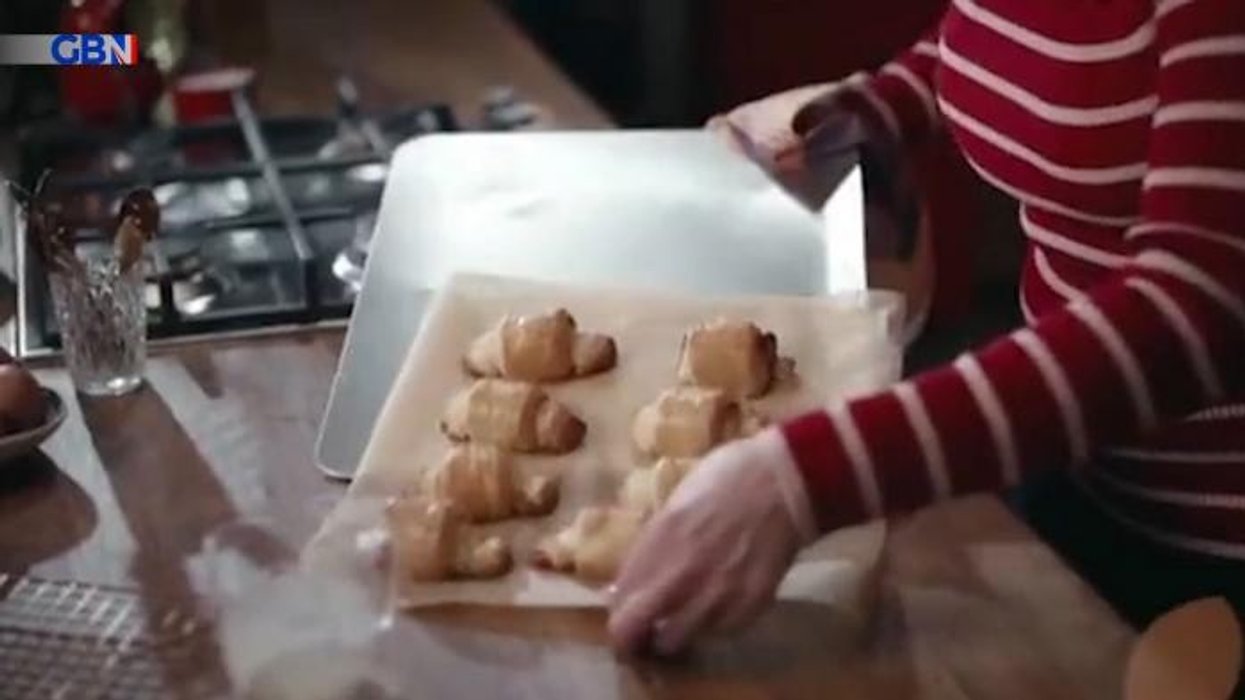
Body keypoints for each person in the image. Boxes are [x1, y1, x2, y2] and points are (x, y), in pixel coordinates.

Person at [607, 0, 1245, 656]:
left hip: (1213, 551)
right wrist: (874, 111)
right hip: (1072, 465)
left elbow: (1196, 307)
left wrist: (806, 477)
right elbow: (994, 36)